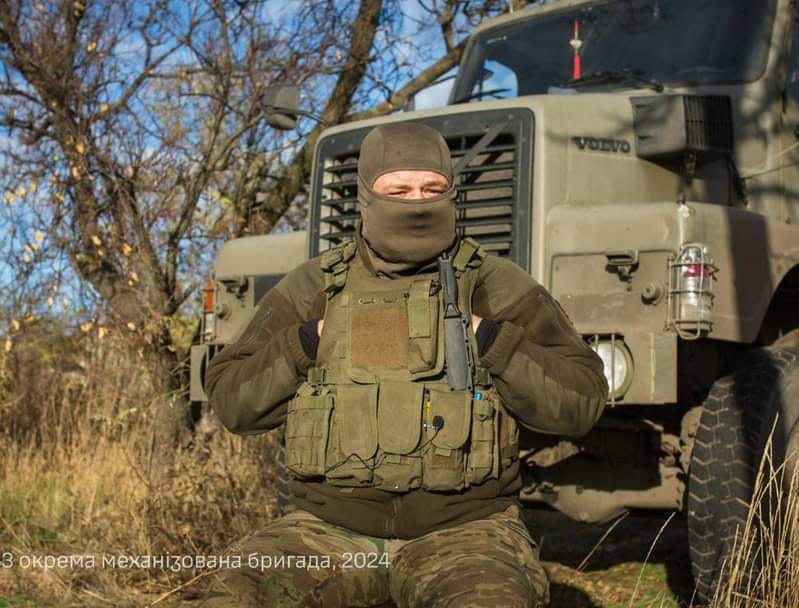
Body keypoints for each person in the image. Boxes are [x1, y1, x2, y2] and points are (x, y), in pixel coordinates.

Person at [202, 122, 608, 607]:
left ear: (451, 193)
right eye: (398, 190)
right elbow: (231, 400)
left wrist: (494, 341)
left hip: (466, 535)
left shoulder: (496, 285)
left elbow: (582, 400)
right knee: (234, 596)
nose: (417, 202)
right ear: (367, 197)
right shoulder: (314, 286)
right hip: (326, 533)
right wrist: (304, 343)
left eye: (432, 189)